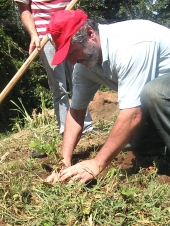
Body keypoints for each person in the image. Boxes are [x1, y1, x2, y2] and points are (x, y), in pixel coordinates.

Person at [46, 9, 170, 184]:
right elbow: (76, 113)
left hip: (163, 93)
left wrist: (96, 163)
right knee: (128, 142)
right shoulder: (84, 67)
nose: (72, 61)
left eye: (73, 52)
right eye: (67, 56)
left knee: (154, 92)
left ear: (90, 34)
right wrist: (64, 161)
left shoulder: (130, 46)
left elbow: (133, 114)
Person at [14, 0, 93, 135]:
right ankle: (66, 129)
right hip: (44, 36)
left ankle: (86, 126)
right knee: (58, 85)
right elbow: (24, 7)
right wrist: (34, 35)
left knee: (79, 78)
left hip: (70, 29)